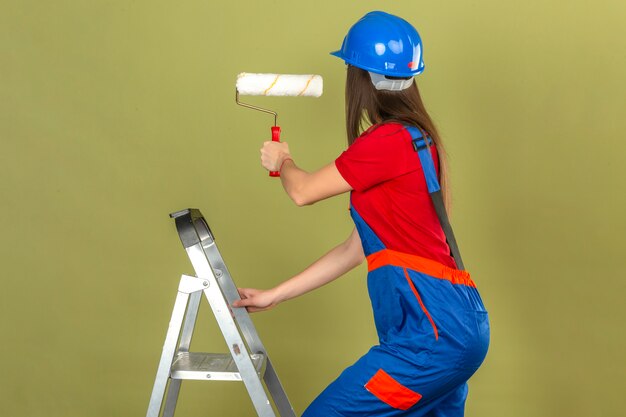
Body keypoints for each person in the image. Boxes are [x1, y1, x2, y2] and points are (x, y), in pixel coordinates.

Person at [233, 11, 490, 417]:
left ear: (362, 79)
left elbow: (302, 192)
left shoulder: (387, 142)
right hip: (458, 328)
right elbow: (354, 250)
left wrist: (282, 160)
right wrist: (275, 295)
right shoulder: (420, 141)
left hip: (431, 338)